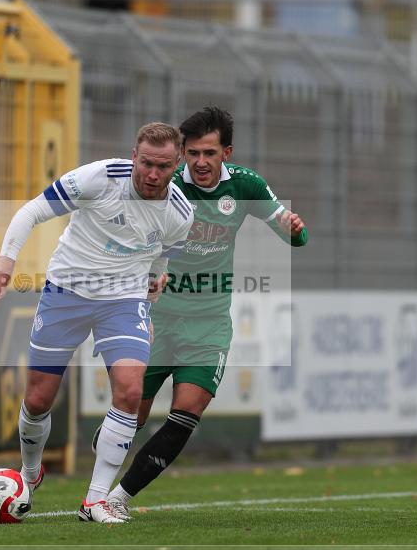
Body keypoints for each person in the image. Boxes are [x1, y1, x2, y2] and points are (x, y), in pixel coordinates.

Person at [0, 122, 193, 524]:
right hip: (66, 292)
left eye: (163, 166)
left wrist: (152, 288)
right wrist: (4, 270)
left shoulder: (180, 212)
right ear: (134, 156)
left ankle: (95, 502)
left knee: (129, 391)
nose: (152, 174)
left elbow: (162, 254)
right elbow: (33, 210)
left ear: (177, 164)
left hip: (123, 301)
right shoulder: (100, 178)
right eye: (146, 163)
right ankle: (28, 473)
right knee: (38, 399)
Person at [103, 107, 308, 519]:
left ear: (225, 154)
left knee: (186, 413)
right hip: (157, 316)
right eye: (192, 153)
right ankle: (102, 462)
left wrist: (295, 229)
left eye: (208, 153)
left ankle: (116, 498)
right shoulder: (167, 183)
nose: (199, 162)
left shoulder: (245, 185)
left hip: (209, 322)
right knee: (132, 413)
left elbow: (292, 233)